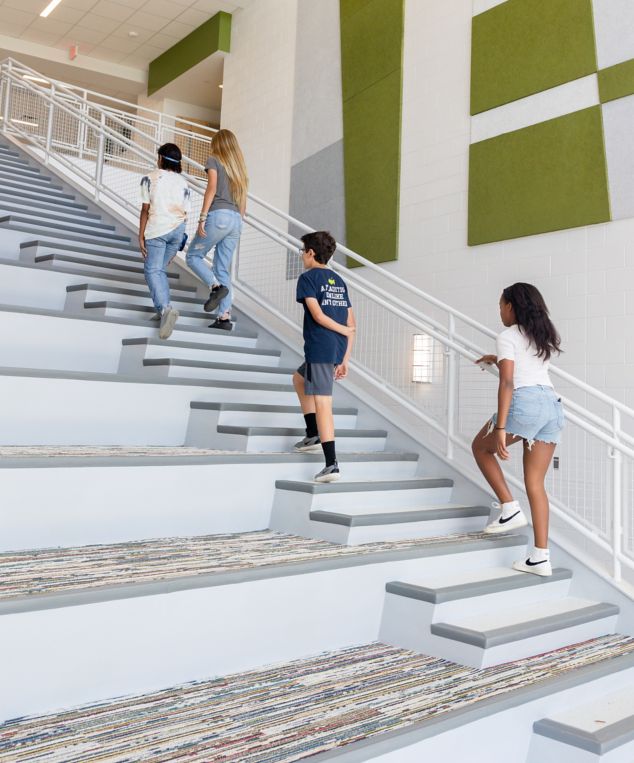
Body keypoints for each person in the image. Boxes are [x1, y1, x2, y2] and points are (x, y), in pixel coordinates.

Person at [472, 283, 564, 577]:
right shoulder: (541, 334)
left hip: (525, 403)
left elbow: (510, 383)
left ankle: (509, 508)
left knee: (480, 447)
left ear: (512, 306)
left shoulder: (507, 335)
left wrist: (500, 427)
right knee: (536, 484)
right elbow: (526, 369)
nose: (499, 311)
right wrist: (497, 360)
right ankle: (540, 557)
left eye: (501, 305)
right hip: (551, 406)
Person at [292, 231, 356, 483]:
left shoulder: (307, 279)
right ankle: (312, 434)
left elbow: (318, 316)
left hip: (320, 347)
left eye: (302, 250)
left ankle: (331, 464)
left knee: (323, 404)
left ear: (310, 253)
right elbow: (352, 323)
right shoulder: (338, 281)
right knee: (298, 379)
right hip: (335, 348)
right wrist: (346, 357)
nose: (301, 255)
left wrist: (341, 330)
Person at [186, 129, 248, 331]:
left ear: (217, 144)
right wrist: (238, 220)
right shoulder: (240, 169)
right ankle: (224, 317)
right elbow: (243, 201)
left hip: (218, 216)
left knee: (193, 256)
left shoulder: (214, 160)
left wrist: (202, 217)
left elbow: (211, 188)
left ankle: (215, 287)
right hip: (236, 220)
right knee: (222, 268)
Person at [139, 143, 190, 340]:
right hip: (177, 231)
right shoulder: (183, 183)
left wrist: (140, 235)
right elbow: (186, 213)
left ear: (160, 158)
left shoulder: (149, 178)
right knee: (159, 270)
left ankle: (165, 309)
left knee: (152, 270)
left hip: (158, 229)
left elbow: (145, 209)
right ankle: (164, 310)